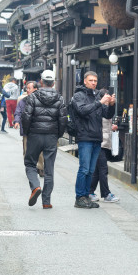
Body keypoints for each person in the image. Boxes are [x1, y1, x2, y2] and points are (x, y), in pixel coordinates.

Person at [21, 70, 66, 209]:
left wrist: (28, 132)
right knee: (49, 168)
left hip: (35, 134)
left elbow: (26, 116)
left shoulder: (33, 97)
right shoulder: (60, 98)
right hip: (51, 135)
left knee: (30, 163)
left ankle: (35, 187)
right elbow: (63, 119)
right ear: (53, 83)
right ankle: (46, 201)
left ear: (41, 82)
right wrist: (58, 134)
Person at [69, 71, 113, 208]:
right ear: (85, 81)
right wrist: (100, 102)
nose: (94, 83)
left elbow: (107, 114)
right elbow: (82, 110)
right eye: (91, 80)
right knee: (84, 168)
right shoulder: (78, 95)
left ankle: (86, 196)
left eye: (95, 80)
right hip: (84, 136)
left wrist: (111, 104)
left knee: (91, 169)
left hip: (96, 137)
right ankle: (79, 197)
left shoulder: (96, 96)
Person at [89, 89, 120, 203]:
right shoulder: (98, 107)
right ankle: (106, 194)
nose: (108, 99)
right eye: (107, 97)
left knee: (97, 170)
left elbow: (107, 119)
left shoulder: (106, 108)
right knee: (103, 169)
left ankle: (90, 191)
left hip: (105, 142)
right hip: (100, 142)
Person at [14, 81, 44, 176]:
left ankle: (40, 167)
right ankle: (29, 168)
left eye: (29, 88)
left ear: (35, 89)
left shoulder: (41, 100)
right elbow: (18, 112)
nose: (27, 90)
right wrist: (17, 121)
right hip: (27, 129)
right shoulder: (23, 100)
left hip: (38, 129)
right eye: (26, 88)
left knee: (39, 151)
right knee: (27, 150)